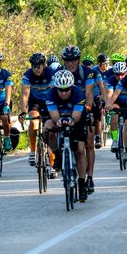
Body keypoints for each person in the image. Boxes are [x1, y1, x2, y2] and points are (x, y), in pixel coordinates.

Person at [45, 69, 91, 202]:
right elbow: (54, 116)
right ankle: (57, 156)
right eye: (61, 90)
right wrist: (58, 121)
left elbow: (76, 116)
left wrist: (71, 121)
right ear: (56, 88)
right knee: (47, 127)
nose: (64, 93)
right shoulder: (51, 94)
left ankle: (82, 183)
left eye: (66, 89)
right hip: (59, 117)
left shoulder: (78, 93)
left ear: (71, 87)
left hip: (77, 119)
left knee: (80, 150)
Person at [61, 45, 100, 191]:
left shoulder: (87, 72)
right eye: (67, 60)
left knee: (88, 144)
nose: (70, 63)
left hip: (84, 107)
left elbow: (89, 94)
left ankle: (89, 177)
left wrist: (88, 111)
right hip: (66, 108)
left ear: (78, 60)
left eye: (73, 60)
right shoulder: (59, 72)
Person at [21, 52, 54, 173]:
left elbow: (54, 91)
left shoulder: (50, 73)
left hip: (49, 103)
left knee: (50, 133)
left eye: (38, 66)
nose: (36, 69)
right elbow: (25, 95)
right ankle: (33, 150)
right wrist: (23, 111)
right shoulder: (28, 75)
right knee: (34, 122)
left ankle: (52, 164)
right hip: (35, 103)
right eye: (33, 66)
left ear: (43, 65)